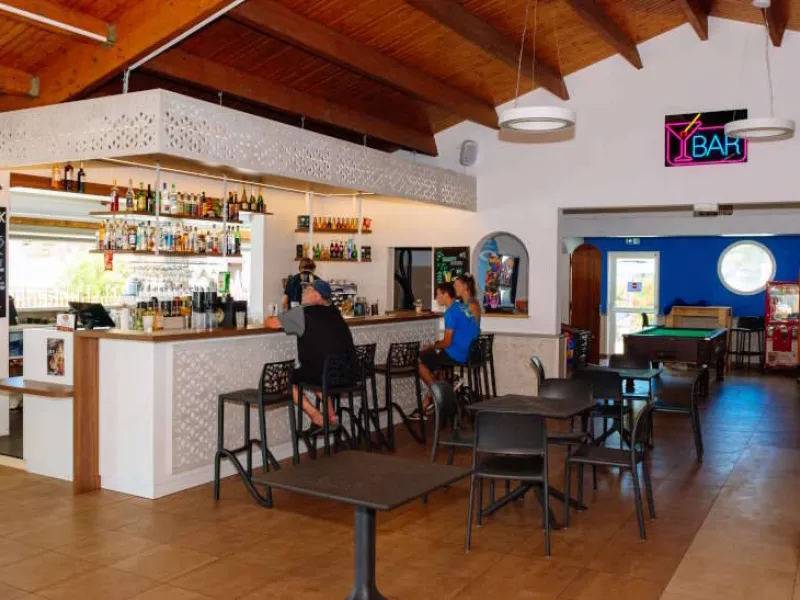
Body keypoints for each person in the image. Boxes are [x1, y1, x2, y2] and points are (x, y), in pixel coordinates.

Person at [265, 279, 356, 428]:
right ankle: (331, 417)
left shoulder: (303, 313)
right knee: (315, 375)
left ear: (317, 295)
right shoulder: (335, 313)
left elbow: (271, 323)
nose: (303, 293)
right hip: (348, 373)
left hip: (322, 374)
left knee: (285, 379)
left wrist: (269, 316)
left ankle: (315, 415)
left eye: (308, 290)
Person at [414, 282, 480, 418]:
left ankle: (438, 392)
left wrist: (433, 345)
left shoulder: (450, 312)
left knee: (418, 360)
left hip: (457, 354)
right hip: (470, 352)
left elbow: (447, 342)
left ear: (446, 295)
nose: (436, 297)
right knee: (438, 364)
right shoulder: (464, 307)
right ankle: (431, 400)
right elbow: (473, 328)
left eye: (438, 294)